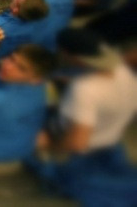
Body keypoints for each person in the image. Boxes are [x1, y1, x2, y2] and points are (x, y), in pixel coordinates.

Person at [33, 29, 137, 205]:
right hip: (109, 140)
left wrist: (49, 145)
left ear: (69, 54)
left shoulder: (85, 89)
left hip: (78, 150)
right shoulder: (124, 72)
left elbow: (77, 142)